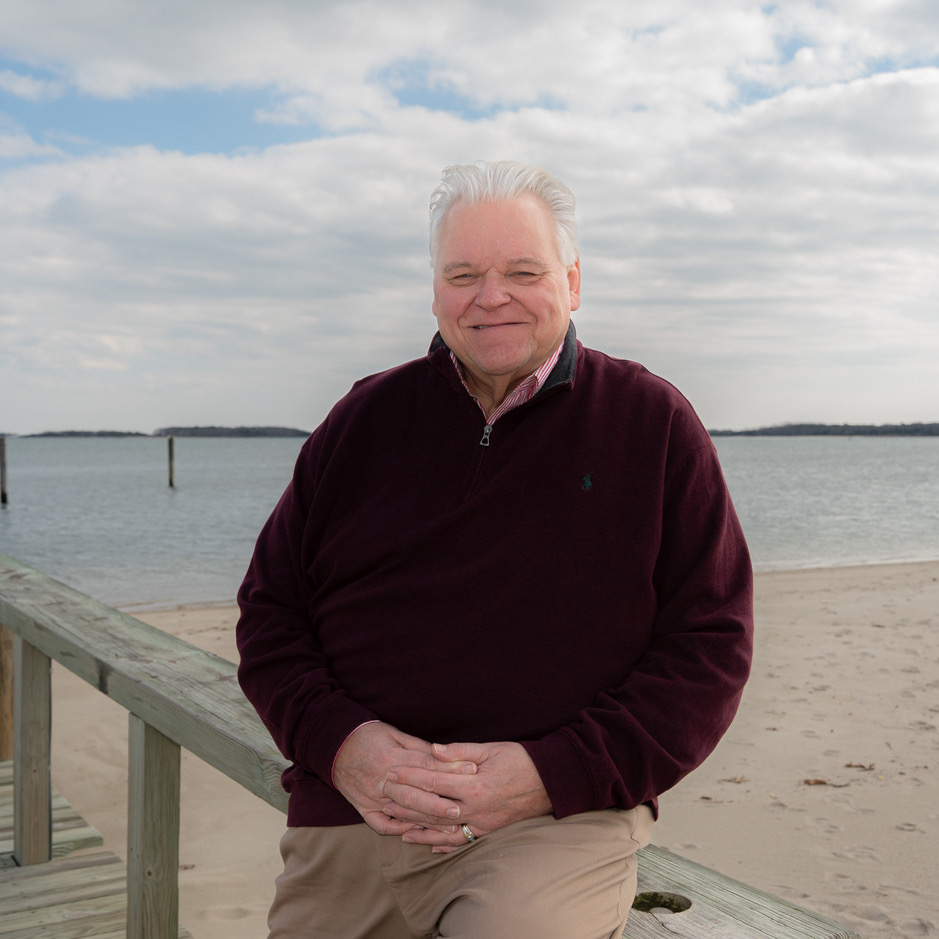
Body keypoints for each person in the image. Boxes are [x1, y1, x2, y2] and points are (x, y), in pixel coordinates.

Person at [236, 160, 753, 939]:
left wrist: (550, 774)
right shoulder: (362, 420)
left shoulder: (651, 424)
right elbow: (271, 616)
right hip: (355, 813)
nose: (490, 296)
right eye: (463, 273)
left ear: (571, 282)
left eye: (522, 270)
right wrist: (342, 746)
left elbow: (708, 650)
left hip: (552, 823)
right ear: (435, 291)